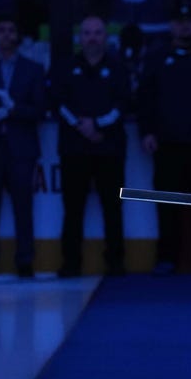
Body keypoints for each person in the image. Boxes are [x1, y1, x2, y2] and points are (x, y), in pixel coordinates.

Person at [137, 1, 191, 275]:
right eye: (179, 20)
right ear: (172, 25)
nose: (184, 25)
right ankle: (166, 257)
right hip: (167, 143)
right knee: (167, 205)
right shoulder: (156, 57)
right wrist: (146, 131)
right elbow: (145, 98)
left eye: (189, 20)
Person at [52, 14, 130, 277]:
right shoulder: (65, 66)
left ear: (105, 36)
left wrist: (97, 124)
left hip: (109, 149)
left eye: (97, 32)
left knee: (113, 208)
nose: (92, 38)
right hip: (74, 149)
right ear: (79, 37)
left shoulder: (118, 67)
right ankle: (71, 263)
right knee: (72, 209)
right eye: (87, 33)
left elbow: (124, 103)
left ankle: (116, 263)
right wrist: (81, 126)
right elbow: (58, 102)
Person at [0, 15, 45, 278]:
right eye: (1, 30)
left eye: (10, 30)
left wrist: (14, 109)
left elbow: (39, 109)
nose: (5, 35)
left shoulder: (33, 69)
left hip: (21, 148)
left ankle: (25, 261)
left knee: (23, 207)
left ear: (18, 36)